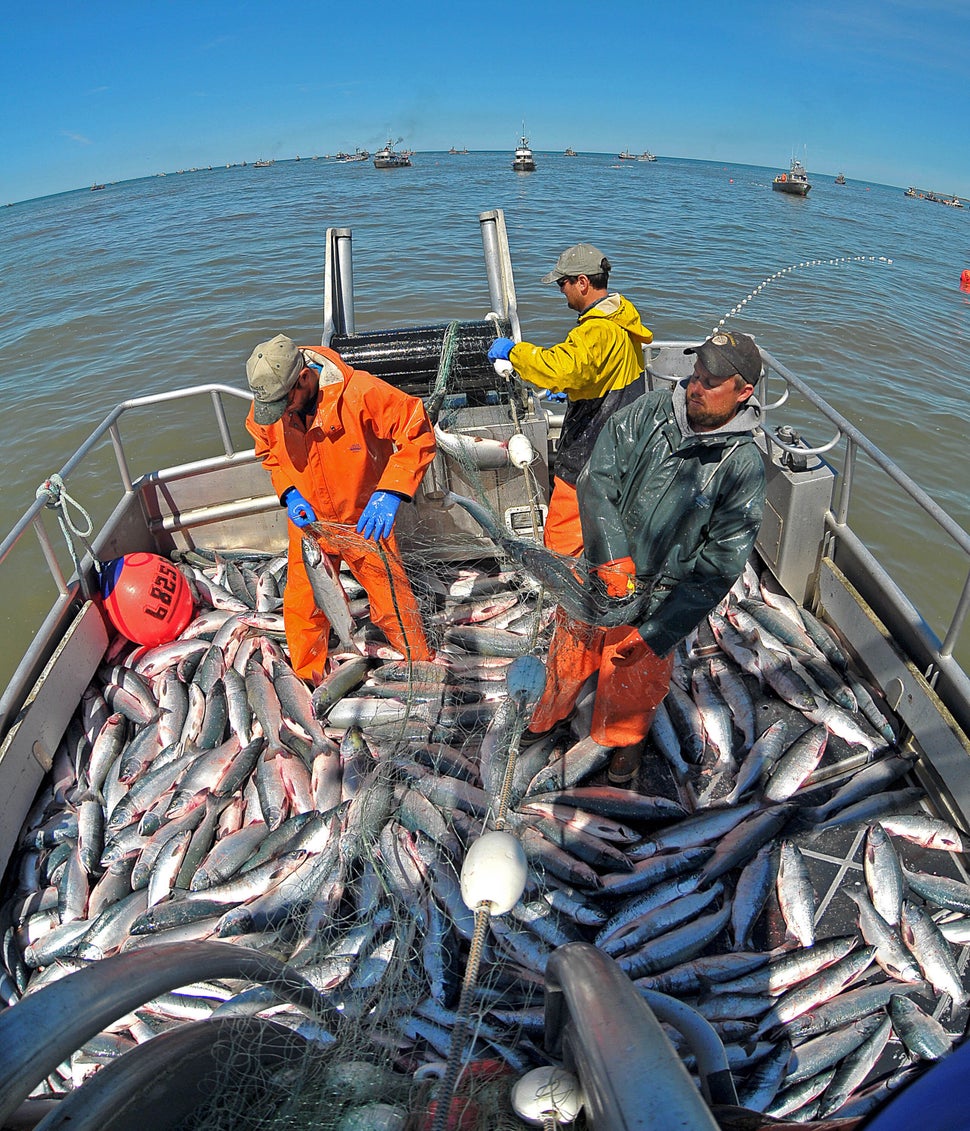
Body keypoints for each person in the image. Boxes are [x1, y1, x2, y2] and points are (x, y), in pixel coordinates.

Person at [527, 329, 767, 785]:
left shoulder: (743, 465)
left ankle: (623, 747)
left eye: (710, 383)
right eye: (695, 374)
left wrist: (662, 629)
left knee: (636, 676)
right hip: (599, 573)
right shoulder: (651, 411)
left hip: (658, 598)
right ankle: (549, 718)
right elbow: (598, 478)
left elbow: (721, 564)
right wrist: (612, 555)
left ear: (743, 392)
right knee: (568, 654)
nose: (694, 387)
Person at [244, 334, 436, 683]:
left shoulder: (361, 392)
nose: (281, 414)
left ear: (304, 378)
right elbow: (267, 453)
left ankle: (419, 667)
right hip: (308, 527)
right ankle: (308, 683)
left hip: (364, 522)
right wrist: (289, 492)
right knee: (302, 607)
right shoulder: (270, 404)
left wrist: (390, 491)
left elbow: (416, 429)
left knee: (393, 603)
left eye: (285, 403)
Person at [486, 243, 654, 557]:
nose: (561, 291)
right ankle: (614, 594)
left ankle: (573, 604)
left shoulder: (595, 331)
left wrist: (513, 351)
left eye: (563, 283)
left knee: (563, 544)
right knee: (612, 536)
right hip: (625, 445)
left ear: (582, 282)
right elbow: (599, 372)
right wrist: (575, 391)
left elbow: (557, 369)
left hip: (592, 454)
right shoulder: (622, 317)